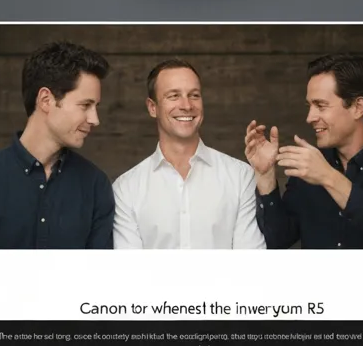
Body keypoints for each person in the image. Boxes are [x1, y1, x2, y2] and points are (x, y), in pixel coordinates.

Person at [245, 54, 363, 249]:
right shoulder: (309, 168)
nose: (310, 117)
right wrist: (265, 176)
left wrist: (328, 177)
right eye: (310, 106)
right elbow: (278, 241)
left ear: (358, 107)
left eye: (321, 106)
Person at [112, 59, 265, 249]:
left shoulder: (240, 176)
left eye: (194, 95)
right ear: (153, 108)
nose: (186, 105)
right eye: (174, 96)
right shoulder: (126, 189)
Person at [0, 41, 114, 249]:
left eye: (96, 106)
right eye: (85, 105)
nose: (95, 119)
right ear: (46, 100)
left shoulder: (96, 186)